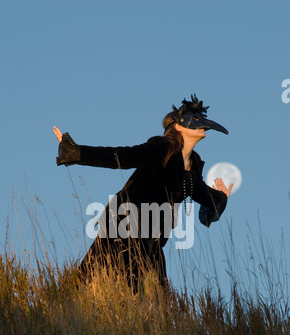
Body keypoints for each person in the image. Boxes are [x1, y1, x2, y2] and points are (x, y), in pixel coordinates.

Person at [53, 94, 233, 294]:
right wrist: (76, 152)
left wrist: (220, 197)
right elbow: (123, 156)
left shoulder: (193, 167)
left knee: (157, 295)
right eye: (195, 120)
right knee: (91, 281)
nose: (202, 126)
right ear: (179, 127)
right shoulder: (163, 148)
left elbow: (200, 192)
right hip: (124, 226)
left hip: (152, 238)